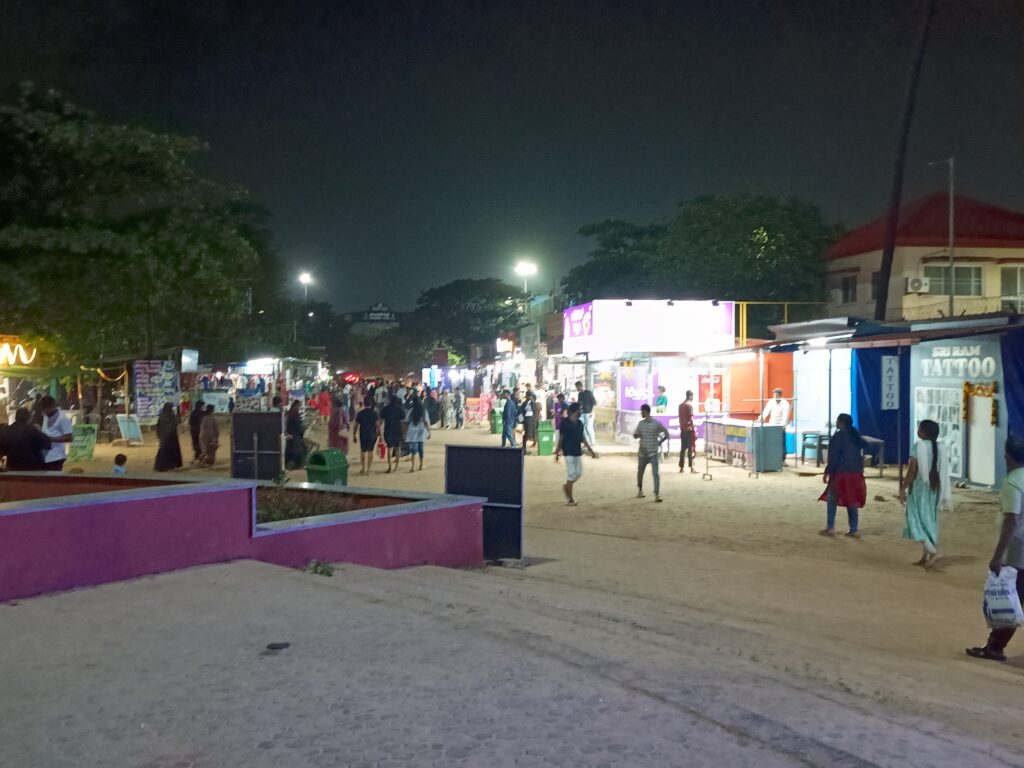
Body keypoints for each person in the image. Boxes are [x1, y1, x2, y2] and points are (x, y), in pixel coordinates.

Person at [966, 436, 1024, 662]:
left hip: (1017, 551)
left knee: (1012, 600)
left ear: (1007, 456)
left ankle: (995, 647)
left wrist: (998, 556)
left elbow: (1011, 520)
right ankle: (994, 645)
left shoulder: (1012, 482)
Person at [899, 419, 951, 567]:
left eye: (919, 429)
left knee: (914, 520)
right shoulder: (941, 448)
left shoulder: (918, 447)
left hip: (919, 489)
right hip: (934, 489)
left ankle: (933, 552)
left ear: (923, 433)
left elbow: (912, 470)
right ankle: (925, 556)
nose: (917, 432)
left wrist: (903, 488)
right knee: (929, 520)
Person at [819, 413, 867, 538]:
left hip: (841, 472)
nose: (836, 422)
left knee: (832, 498)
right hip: (855, 472)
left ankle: (830, 527)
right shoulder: (855, 435)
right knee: (852, 499)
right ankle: (854, 529)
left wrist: (827, 471)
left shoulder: (839, 436)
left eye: (837, 420)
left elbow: (833, 456)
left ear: (841, 423)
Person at [554, 403, 597, 506]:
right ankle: (570, 500)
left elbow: (582, 438)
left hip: (577, 451)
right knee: (572, 474)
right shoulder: (565, 423)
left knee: (578, 473)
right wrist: (557, 451)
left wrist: (590, 450)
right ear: (574, 411)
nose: (581, 412)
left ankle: (567, 486)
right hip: (568, 451)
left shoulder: (580, 423)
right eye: (579, 410)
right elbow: (561, 438)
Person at [634, 404, 669, 502]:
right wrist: (637, 435)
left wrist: (660, 442)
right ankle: (641, 490)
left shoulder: (655, 424)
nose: (641, 413)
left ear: (645, 411)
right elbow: (636, 434)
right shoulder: (641, 424)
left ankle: (656, 493)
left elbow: (666, 434)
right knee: (643, 472)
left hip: (651, 452)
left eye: (642, 411)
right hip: (644, 452)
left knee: (653, 473)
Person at [38, 395, 73, 471]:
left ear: (53, 406)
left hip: (57, 456)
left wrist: (51, 439)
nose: (45, 412)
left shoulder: (63, 418)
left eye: (46, 409)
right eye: (43, 409)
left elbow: (69, 437)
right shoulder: (45, 417)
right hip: (44, 455)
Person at [761, 387, 792, 459]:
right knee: (771, 442)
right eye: (774, 396)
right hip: (772, 425)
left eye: (777, 396)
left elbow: (785, 417)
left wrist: (782, 426)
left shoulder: (785, 404)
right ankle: (772, 458)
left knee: (781, 443)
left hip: (781, 426)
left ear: (780, 395)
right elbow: (766, 412)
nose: (775, 397)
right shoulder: (771, 402)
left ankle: (782, 460)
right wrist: (761, 418)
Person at [153, 402, 183, 472]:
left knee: (165, 451)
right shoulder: (167, 415)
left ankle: (165, 466)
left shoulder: (164, 415)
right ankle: (164, 467)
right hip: (168, 437)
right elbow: (171, 425)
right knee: (166, 452)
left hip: (167, 437)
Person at [354, 398, 380, 475]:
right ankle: (368, 469)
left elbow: (356, 425)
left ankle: (363, 468)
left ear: (364, 404)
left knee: (363, 451)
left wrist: (354, 435)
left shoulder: (360, 413)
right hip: (372, 434)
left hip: (363, 433)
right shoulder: (374, 413)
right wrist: (380, 434)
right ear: (371, 404)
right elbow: (377, 425)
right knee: (370, 451)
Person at [381, 395, 406, 473]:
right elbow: (402, 423)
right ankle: (396, 467)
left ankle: (390, 467)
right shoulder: (400, 409)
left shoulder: (385, 409)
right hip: (397, 430)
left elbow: (381, 420)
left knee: (389, 448)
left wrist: (378, 431)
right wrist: (404, 432)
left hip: (388, 430)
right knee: (397, 448)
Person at [405, 398, 430, 472]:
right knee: (421, 449)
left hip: (412, 431)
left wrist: (405, 432)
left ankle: (412, 467)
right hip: (421, 431)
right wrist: (429, 431)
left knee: (413, 450)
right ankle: (421, 465)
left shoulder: (411, 411)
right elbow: (426, 422)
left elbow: (406, 421)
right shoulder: (423, 411)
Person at [678, 390, 697, 474]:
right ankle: (691, 467)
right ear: (690, 396)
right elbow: (690, 419)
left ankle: (681, 467)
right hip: (689, 430)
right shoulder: (689, 406)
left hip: (682, 429)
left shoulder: (680, 405)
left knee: (682, 449)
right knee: (690, 449)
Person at [284, 399, 306, 470]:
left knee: (291, 451)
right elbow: (299, 427)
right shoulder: (295, 415)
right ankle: (296, 465)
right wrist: (302, 433)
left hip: (290, 435)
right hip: (295, 436)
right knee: (298, 450)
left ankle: (291, 464)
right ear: (296, 406)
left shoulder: (290, 413)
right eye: (299, 406)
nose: (299, 408)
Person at [575, 381, 597, 447]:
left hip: (589, 413)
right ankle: (587, 441)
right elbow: (579, 404)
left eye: (577, 387)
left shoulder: (589, 393)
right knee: (582, 427)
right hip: (583, 413)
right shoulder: (579, 394)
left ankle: (593, 442)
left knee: (589, 427)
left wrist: (592, 412)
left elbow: (594, 403)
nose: (576, 388)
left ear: (580, 386)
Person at [188, 398, 206, 464]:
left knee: (196, 444)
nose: (204, 407)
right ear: (200, 406)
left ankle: (197, 456)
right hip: (200, 431)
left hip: (193, 431)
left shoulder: (193, 413)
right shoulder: (202, 413)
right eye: (203, 405)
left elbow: (190, 422)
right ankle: (200, 458)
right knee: (201, 444)